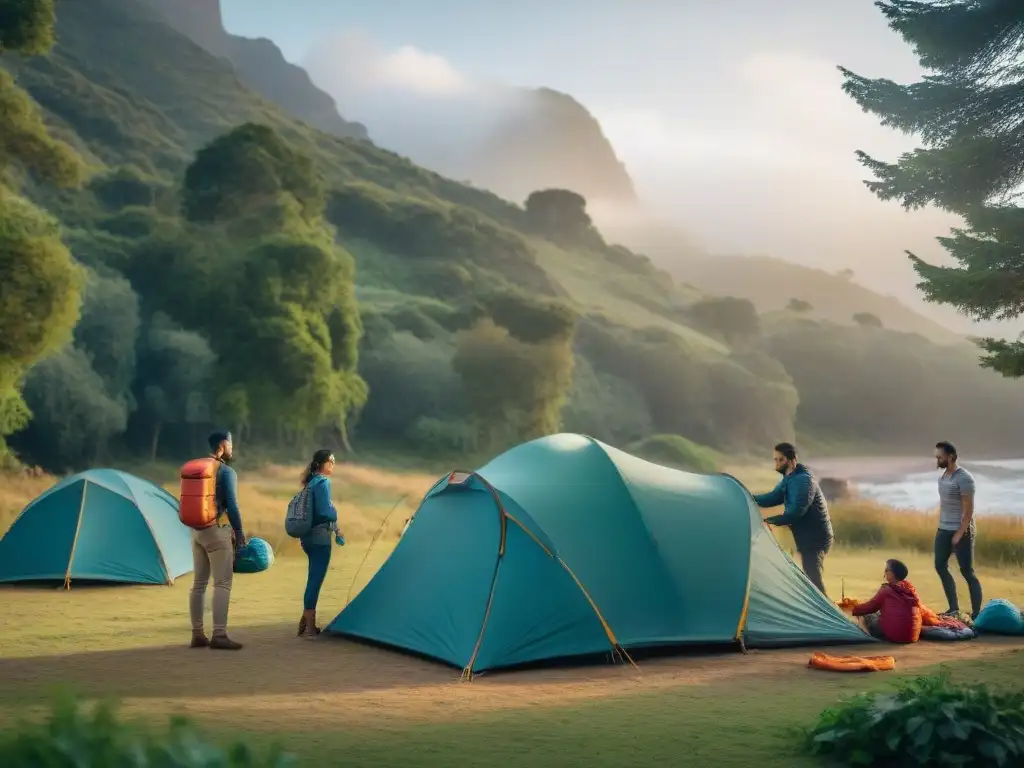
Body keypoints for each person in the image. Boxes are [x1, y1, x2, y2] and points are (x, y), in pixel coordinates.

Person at [752, 442, 834, 595]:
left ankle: (826, 615)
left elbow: (796, 511)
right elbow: (772, 498)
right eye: (775, 460)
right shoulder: (789, 479)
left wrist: (770, 521)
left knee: (812, 578)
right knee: (809, 576)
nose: (776, 464)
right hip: (805, 536)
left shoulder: (803, 480)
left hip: (815, 538)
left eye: (780, 460)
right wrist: (748, 497)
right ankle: (818, 612)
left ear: (792, 460)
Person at [189, 430, 246, 650]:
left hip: (196, 531)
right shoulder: (225, 471)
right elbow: (232, 505)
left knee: (199, 584)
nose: (233, 449)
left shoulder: (196, 467)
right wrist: (239, 532)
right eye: (231, 445)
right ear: (223, 445)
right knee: (222, 582)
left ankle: (197, 634)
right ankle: (219, 634)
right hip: (215, 530)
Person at [934, 441, 983, 619]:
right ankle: (953, 608)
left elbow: (968, 510)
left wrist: (959, 533)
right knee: (940, 565)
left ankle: (977, 614)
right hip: (943, 528)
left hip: (962, 531)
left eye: (940, 457)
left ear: (951, 457)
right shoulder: (943, 477)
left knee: (967, 571)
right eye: (937, 457)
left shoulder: (964, 478)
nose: (937, 460)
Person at [297, 449, 342, 639]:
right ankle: (310, 624)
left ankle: (304, 618)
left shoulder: (310, 482)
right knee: (316, 579)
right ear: (322, 463)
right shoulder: (323, 482)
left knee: (312, 577)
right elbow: (325, 512)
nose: (333, 464)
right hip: (320, 537)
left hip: (307, 536)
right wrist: (335, 513)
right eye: (330, 461)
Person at [850, 559, 922, 643]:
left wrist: (852, 609)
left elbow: (870, 607)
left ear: (892, 573)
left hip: (896, 636)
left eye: (886, 570)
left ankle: (863, 636)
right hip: (913, 636)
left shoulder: (886, 590)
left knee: (866, 615)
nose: (885, 573)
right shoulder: (910, 589)